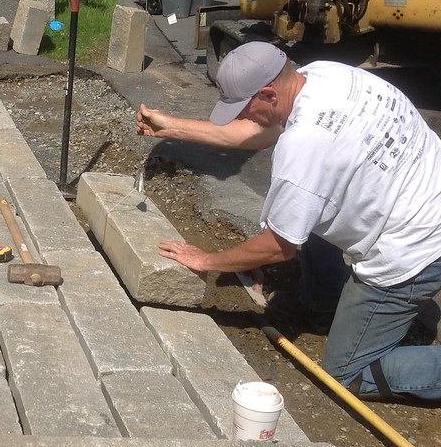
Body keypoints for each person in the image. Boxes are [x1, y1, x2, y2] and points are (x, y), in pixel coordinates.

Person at [136, 41, 441, 401]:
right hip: (417, 192)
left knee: (344, 375)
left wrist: (206, 260)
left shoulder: (305, 145)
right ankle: (323, 307)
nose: (239, 117)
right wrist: (170, 127)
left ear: (267, 94)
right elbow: (259, 131)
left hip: (415, 247)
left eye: (244, 108)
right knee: (308, 210)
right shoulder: (319, 75)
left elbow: (280, 245)